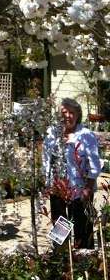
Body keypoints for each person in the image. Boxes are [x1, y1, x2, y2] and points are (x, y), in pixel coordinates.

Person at [43, 97, 101, 248]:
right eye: (64, 112)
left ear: (77, 114)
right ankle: (61, 258)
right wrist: (48, 184)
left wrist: (88, 188)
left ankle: (84, 262)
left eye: (72, 112)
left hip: (81, 190)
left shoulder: (86, 135)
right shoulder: (51, 133)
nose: (68, 115)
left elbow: (94, 164)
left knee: (82, 227)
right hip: (58, 190)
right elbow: (46, 160)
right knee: (60, 228)